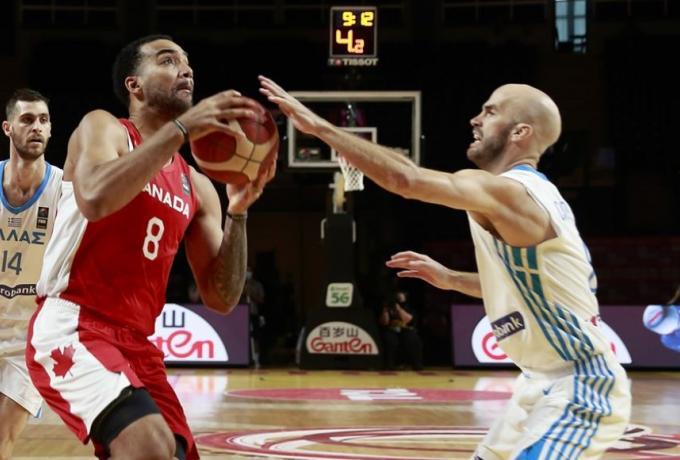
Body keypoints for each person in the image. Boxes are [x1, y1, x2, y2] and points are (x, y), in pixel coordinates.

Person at [260, 76, 631, 459]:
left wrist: (319, 127)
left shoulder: (511, 192)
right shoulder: (535, 195)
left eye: (490, 112)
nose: (475, 119)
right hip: (539, 384)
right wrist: (451, 279)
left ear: (520, 132)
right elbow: (530, 287)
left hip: (580, 383)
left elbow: (406, 179)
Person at [25, 35, 275, 460]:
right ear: (134, 85)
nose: (186, 69)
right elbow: (96, 198)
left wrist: (238, 213)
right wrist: (182, 129)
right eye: (167, 60)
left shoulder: (197, 185)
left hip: (138, 343)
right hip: (73, 325)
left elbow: (222, 297)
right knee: (149, 447)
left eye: (187, 62)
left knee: (172, 453)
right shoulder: (104, 128)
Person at [0, 88, 62, 459]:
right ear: (8, 128)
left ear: (51, 130)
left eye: (43, 120)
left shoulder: (65, 191)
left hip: (30, 338)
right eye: (27, 119)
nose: (36, 126)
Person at [378, 290, 423, 370]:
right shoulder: (388, 306)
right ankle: (389, 365)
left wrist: (399, 309)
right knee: (389, 339)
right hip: (392, 330)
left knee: (412, 338)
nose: (399, 296)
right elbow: (385, 322)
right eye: (397, 295)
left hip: (406, 329)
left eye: (401, 295)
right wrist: (385, 311)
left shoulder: (409, 306)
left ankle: (416, 364)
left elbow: (408, 320)